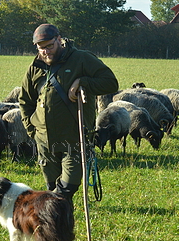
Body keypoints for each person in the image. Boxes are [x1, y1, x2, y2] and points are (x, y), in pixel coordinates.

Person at [19, 24, 118, 204]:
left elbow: (111, 83)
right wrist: (31, 129)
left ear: (59, 40)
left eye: (50, 46)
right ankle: (59, 228)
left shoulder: (81, 59)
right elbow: (25, 100)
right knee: (52, 190)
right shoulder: (35, 67)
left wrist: (84, 81)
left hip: (74, 139)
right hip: (44, 142)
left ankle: (55, 221)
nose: (46, 51)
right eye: (42, 48)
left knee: (65, 190)